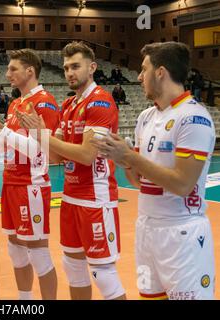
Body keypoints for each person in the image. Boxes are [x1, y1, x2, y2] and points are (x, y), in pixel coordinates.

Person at [91, 41, 216, 300]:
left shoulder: (194, 117)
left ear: (160, 72)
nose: (138, 76)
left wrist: (129, 158)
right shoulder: (146, 117)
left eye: (144, 69)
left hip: (181, 233)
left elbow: (183, 184)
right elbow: (137, 180)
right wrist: (123, 158)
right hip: (146, 230)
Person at [15, 42, 125, 300]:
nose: (69, 72)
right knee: (73, 268)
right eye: (66, 68)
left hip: (96, 199)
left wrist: (42, 135)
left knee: (104, 275)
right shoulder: (67, 106)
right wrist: (41, 137)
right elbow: (54, 156)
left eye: (76, 66)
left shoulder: (101, 102)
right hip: (71, 196)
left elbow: (87, 155)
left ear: (92, 67)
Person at [0, 49, 60, 300]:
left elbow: (40, 151)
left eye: (13, 69)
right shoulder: (15, 103)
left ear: (30, 71)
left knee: (38, 253)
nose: (7, 73)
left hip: (31, 185)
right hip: (11, 184)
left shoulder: (44, 102)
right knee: (16, 250)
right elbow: (3, 146)